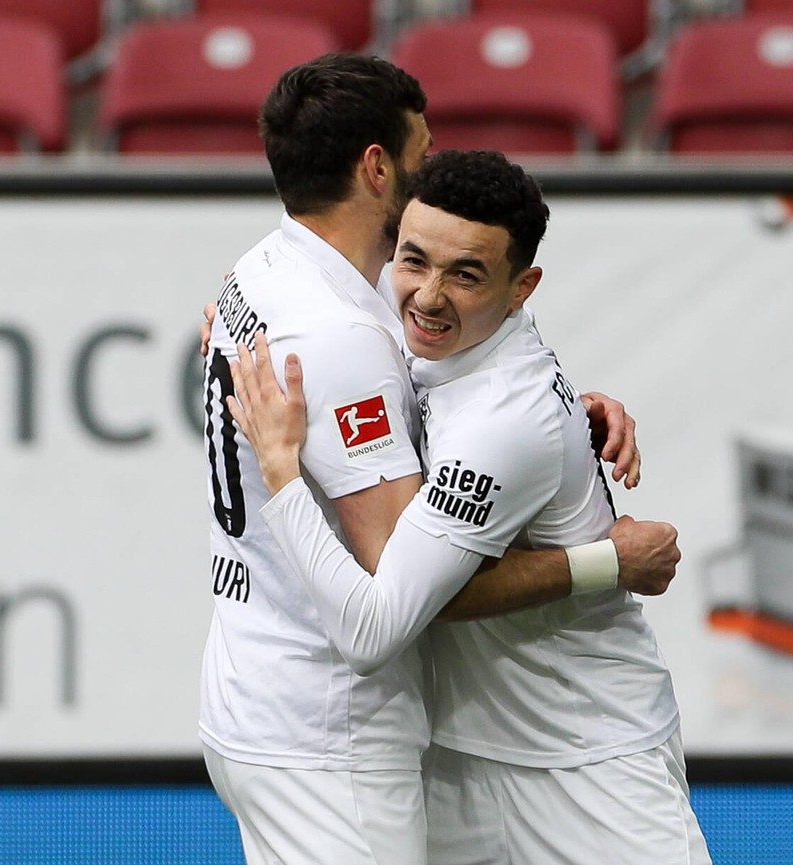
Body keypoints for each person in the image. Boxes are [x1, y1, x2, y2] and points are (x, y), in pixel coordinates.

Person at [199, 55, 681, 865]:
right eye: (423, 148)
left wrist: (565, 423)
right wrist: (607, 560)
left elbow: (476, 409)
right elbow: (382, 611)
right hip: (333, 728)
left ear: (520, 286)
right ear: (379, 168)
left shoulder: (262, 275)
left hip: (518, 735)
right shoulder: (345, 331)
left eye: (464, 273)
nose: (427, 292)